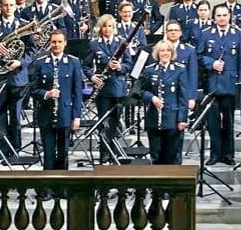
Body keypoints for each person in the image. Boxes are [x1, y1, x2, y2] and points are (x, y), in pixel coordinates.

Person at [0, 0, 34, 157]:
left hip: (18, 76)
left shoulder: (24, 26)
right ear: (1, 6)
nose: (8, 8)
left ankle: (15, 149)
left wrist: (20, 63)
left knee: (16, 116)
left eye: (11, 5)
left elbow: (32, 50)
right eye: (5, 5)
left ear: (15, 7)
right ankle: (2, 150)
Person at [29, 30, 83, 170]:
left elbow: (77, 92)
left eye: (59, 42)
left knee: (63, 154)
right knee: (48, 154)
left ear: (65, 43)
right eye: (53, 42)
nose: (56, 45)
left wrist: (76, 117)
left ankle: (63, 190)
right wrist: (47, 94)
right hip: (46, 115)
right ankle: (48, 189)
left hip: (65, 114)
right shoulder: (40, 62)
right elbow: (33, 89)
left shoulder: (73, 62)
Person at [198, 4, 241, 165]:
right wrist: (211, 63)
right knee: (212, 123)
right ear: (214, 17)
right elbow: (199, 56)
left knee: (228, 122)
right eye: (218, 15)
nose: (222, 18)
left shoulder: (238, 35)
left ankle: (228, 155)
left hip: (230, 85)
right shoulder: (205, 34)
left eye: (225, 15)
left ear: (230, 16)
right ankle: (215, 154)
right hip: (212, 84)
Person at [89, 14, 134, 163]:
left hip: (117, 89)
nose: (107, 29)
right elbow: (85, 65)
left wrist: (120, 66)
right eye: (105, 26)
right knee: (103, 123)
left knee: (114, 123)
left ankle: (114, 153)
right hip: (102, 90)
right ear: (100, 28)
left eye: (110, 26)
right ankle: (104, 154)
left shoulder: (121, 43)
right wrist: (91, 76)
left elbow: (130, 65)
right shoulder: (94, 44)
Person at [140, 40, 191, 164]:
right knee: (156, 156)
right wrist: (152, 98)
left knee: (172, 157)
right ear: (157, 53)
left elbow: (183, 96)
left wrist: (182, 119)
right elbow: (141, 91)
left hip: (172, 119)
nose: (165, 53)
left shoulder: (180, 70)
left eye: (168, 50)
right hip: (154, 119)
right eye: (162, 50)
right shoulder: (149, 70)